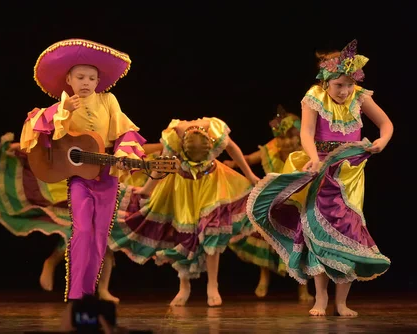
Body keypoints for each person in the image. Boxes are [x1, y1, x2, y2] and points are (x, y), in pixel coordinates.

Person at [246, 39, 393, 316]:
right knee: (318, 231)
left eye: (349, 85)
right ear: (326, 81)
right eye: (339, 86)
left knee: (350, 231)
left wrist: (382, 141)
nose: (345, 91)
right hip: (321, 170)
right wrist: (313, 157)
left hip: (350, 172)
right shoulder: (314, 96)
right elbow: (306, 132)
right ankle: (321, 298)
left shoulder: (359, 96)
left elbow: (386, 124)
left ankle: (342, 301)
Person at [18, 38, 146, 302]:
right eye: (80, 77)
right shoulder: (62, 105)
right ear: (69, 80)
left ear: (98, 81)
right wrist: (61, 110)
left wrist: (123, 154)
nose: (86, 82)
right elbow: (36, 128)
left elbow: (125, 132)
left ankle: (88, 293)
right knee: (83, 231)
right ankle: (76, 294)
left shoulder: (109, 100)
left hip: (107, 177)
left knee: (99, 237)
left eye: (91, 78)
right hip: (80, 178)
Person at [109, 117, 260, 306]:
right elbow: (162, 164)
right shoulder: (175, 136)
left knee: (212, 230)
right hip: (183, 185)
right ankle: (184, 285)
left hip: (212, 182)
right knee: (183, 234)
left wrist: (250, 175)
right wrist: (147, 189)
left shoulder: (215, 129)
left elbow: (232, 149)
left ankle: (212, 285)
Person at [223, 106, 313, 301]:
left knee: (300, 244)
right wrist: (234, 163)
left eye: (291, 138)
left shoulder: (305, 152)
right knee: (264, 234)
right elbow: (249, 158)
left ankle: (303, 287)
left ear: (299, 137)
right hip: (273, 204)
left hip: (298, 204)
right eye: (281, 138)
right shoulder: (271, 149)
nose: (286, 142)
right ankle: (264, 277)